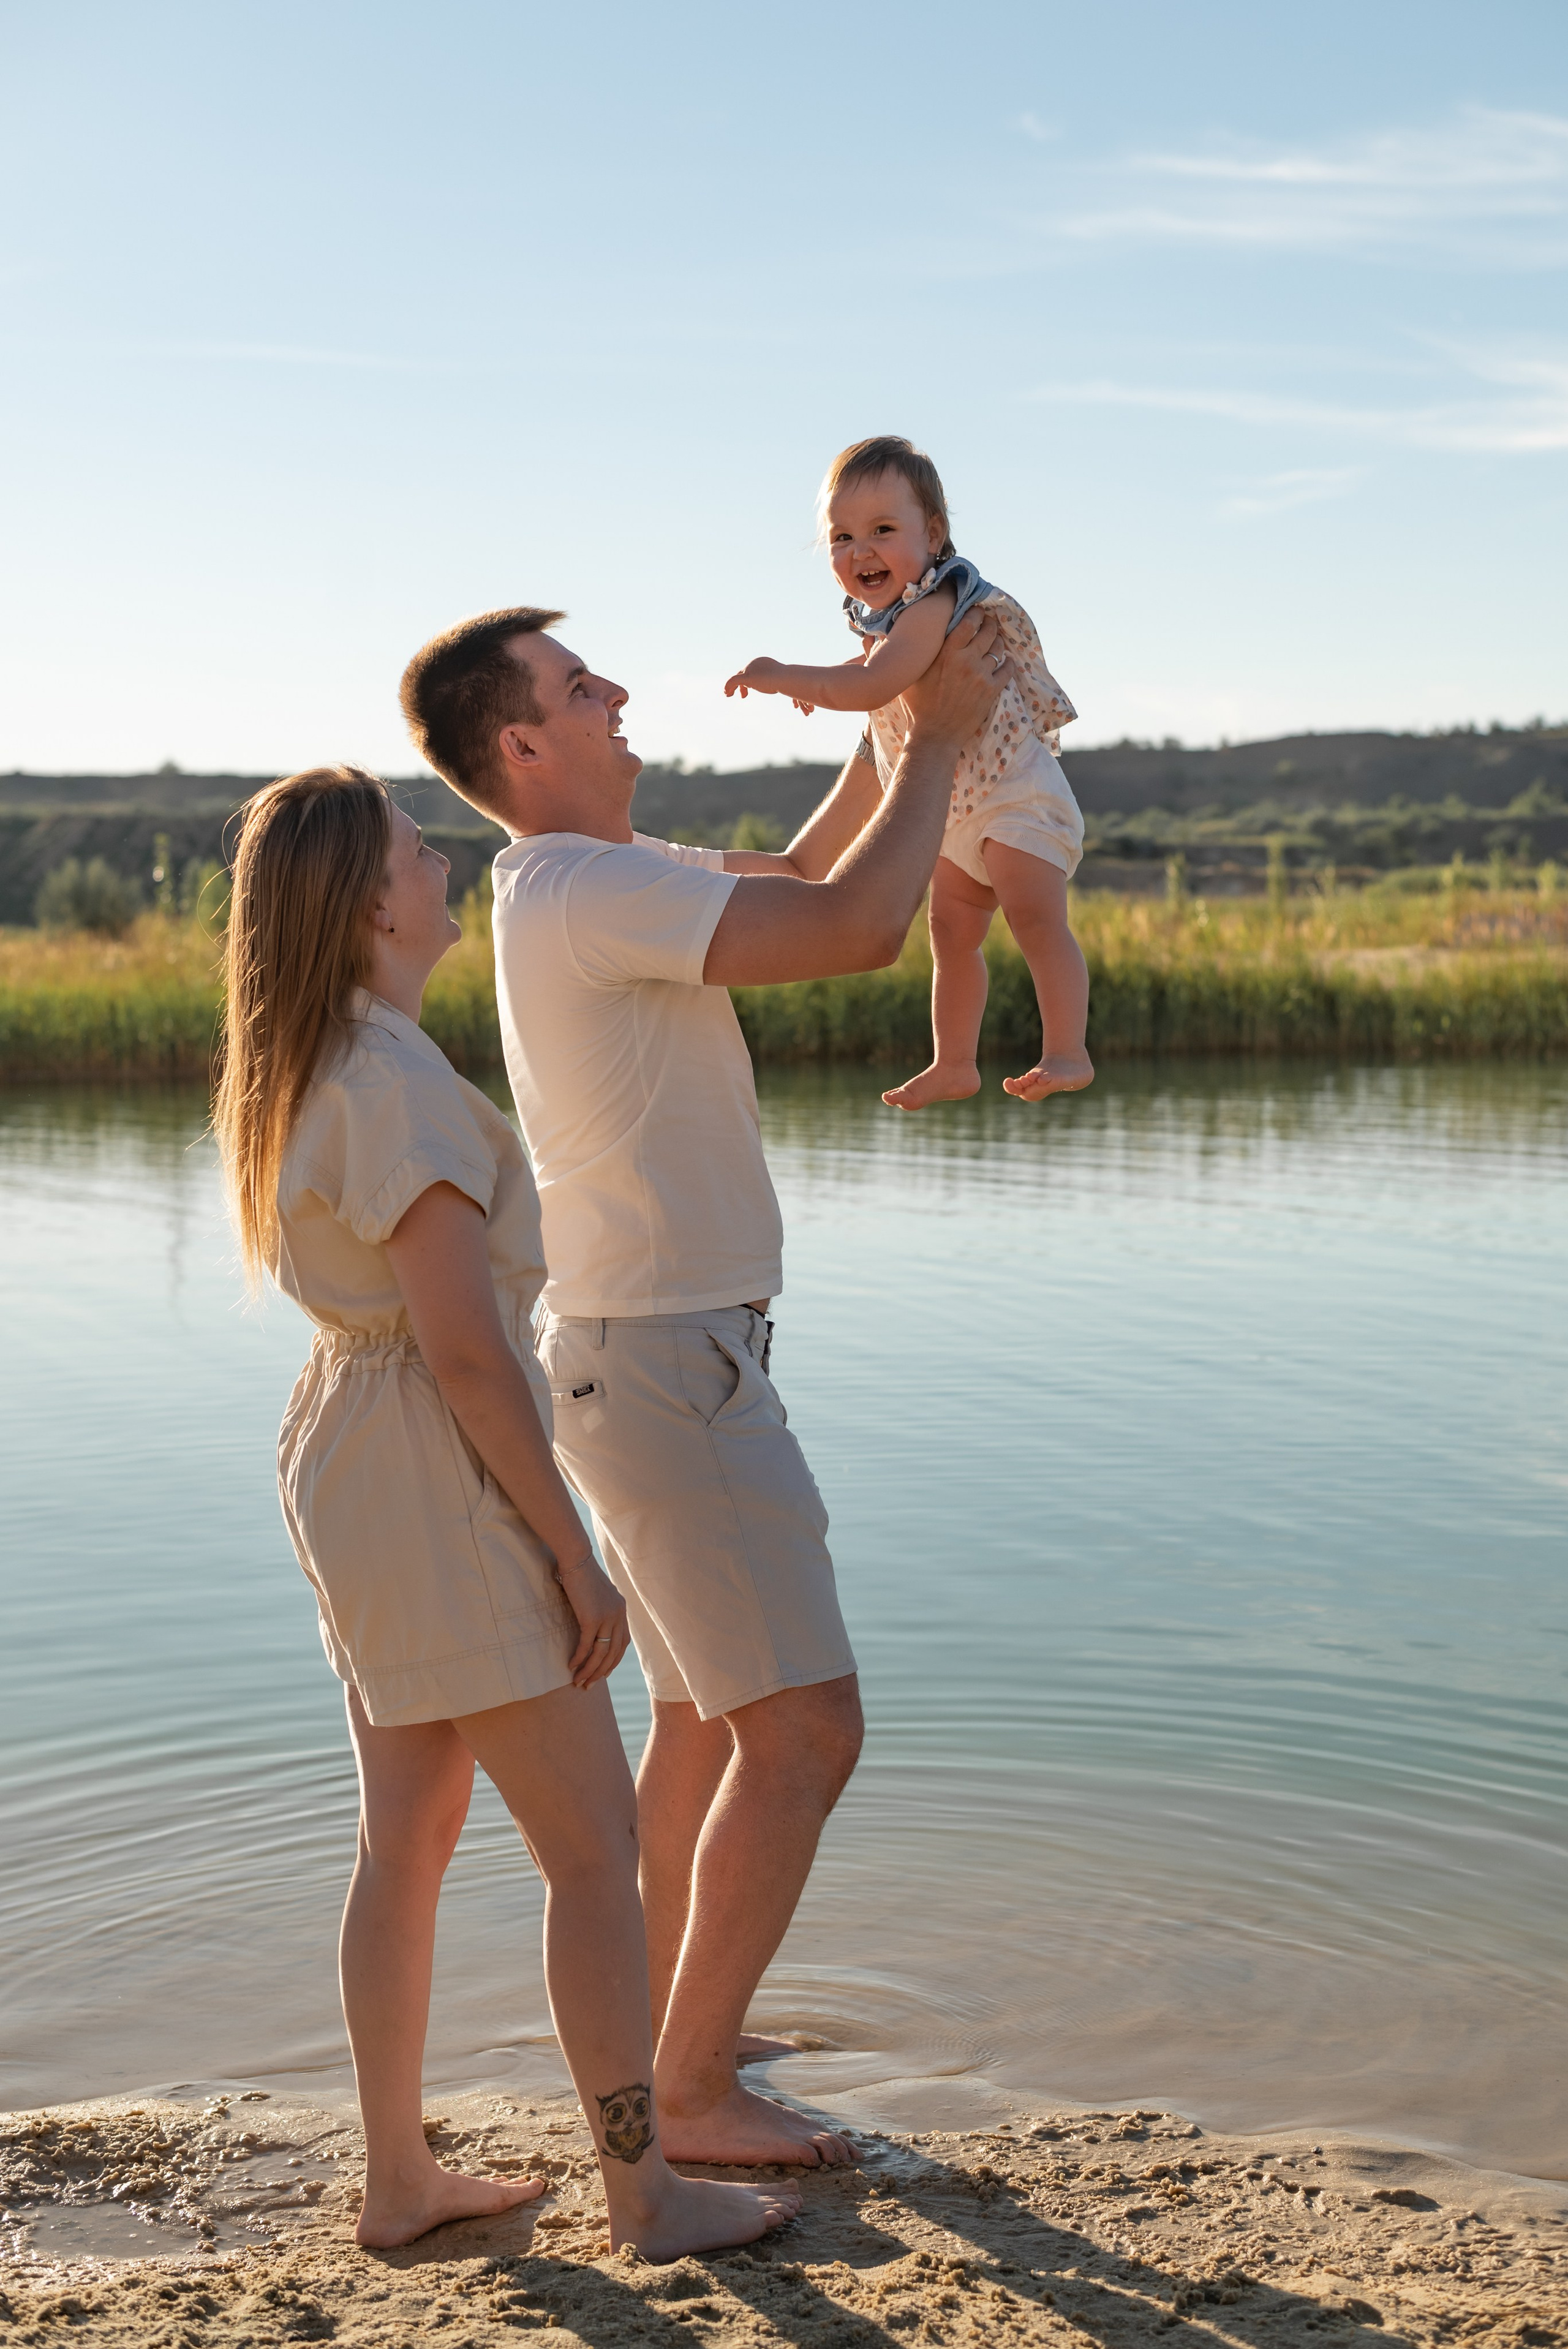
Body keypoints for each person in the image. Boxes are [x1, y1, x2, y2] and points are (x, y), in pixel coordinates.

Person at [397, 602, 1011, 2168]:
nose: (616, 696)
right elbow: (859, 929)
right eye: (580, 685)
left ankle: (677, 2033)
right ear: (522, 743)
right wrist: (940, 729)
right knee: (803, 1732)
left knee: (698, 1723)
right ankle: (685, 2087)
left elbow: (812, 879)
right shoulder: (591, 885)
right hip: (669, 1366)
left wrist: (890, 724)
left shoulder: (583, 882)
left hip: (641, 1357)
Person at [212, 764, 796, 2256]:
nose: (442, 858)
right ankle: (643, 2188)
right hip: (425, 1454)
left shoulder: (329, 1056)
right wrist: (568, 1547)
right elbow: (470, 1356)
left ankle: (400, 2178)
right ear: (368, 901)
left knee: (402, 1831)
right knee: (594, 1845)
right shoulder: (394, 1082)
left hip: (345, 1438)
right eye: (418, 846)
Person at [725, 433, 1093, 1113]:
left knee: (1034, 918)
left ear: (934, 534)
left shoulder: (934, 603)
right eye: (840, 537)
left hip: (1016, 800)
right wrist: (831, 680)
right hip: (956, 814)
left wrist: (784, 676)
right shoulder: (890, 619)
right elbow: (875, 673)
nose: (859, 550)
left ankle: (1067, 1048)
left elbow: (881, 681)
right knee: (950, 934)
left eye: (882, 530)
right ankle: (953, 1062)